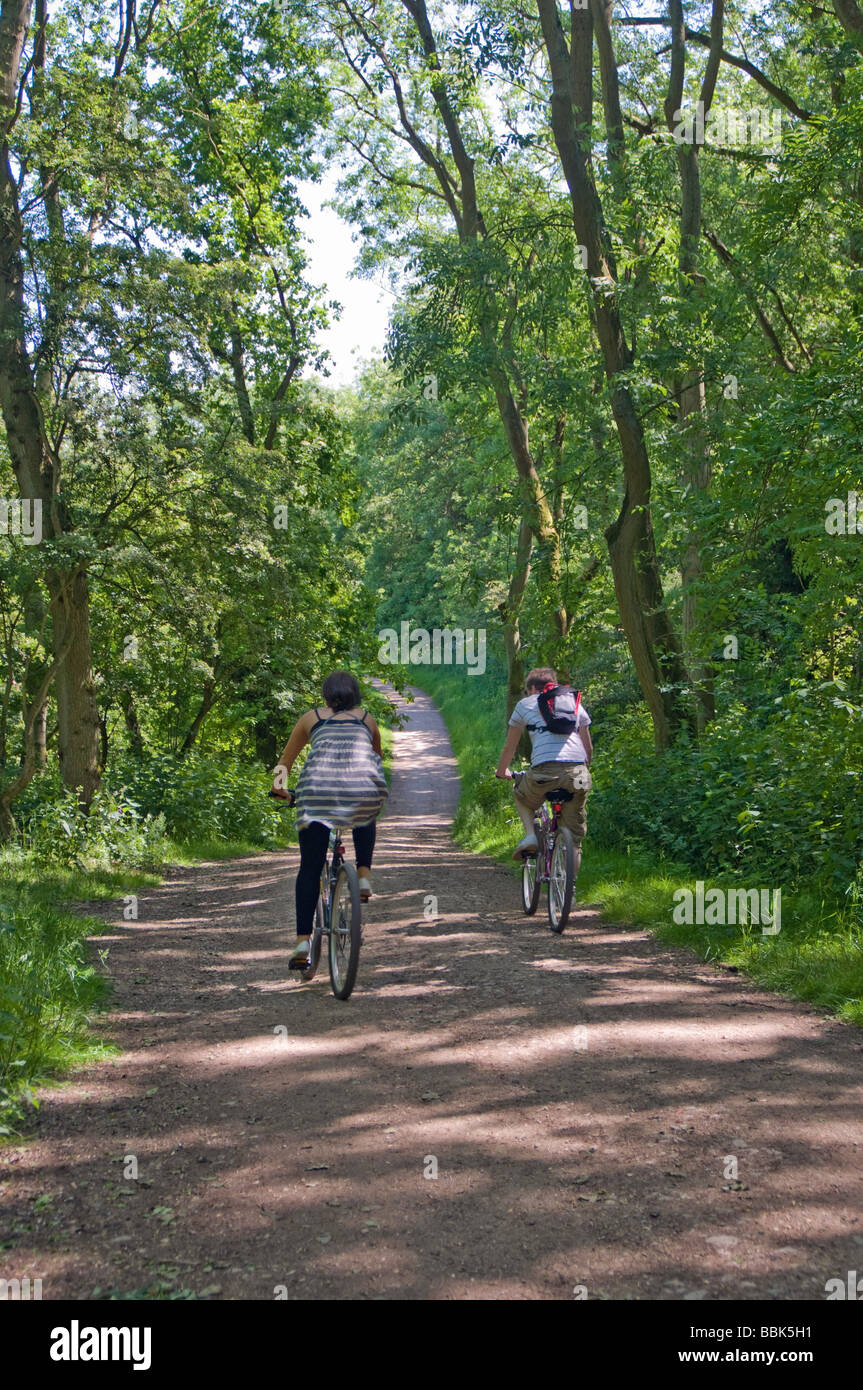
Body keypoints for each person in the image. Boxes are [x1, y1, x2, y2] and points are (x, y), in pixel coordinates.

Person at [271, 671, 387, 968]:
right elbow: (376, 760)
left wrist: (279, 789)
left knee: (309, 869)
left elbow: (285, 763)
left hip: (316, 794)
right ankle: (363, 875)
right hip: (362, 790)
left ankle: (302, 942)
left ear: (325, 695)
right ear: (356, 696)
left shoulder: (311, 718)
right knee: (365, 801)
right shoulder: (367, 719)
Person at [495, 666, 592, 875]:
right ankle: (570, 893)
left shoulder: (525, 704)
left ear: (530, 688)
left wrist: (502, 771)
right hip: (578, 773)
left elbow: (510, 747)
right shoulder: (573, 704)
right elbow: (588, 748)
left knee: (521, 795)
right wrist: (582, 772)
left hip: (544, 772)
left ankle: (531, 835)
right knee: (574, 840)